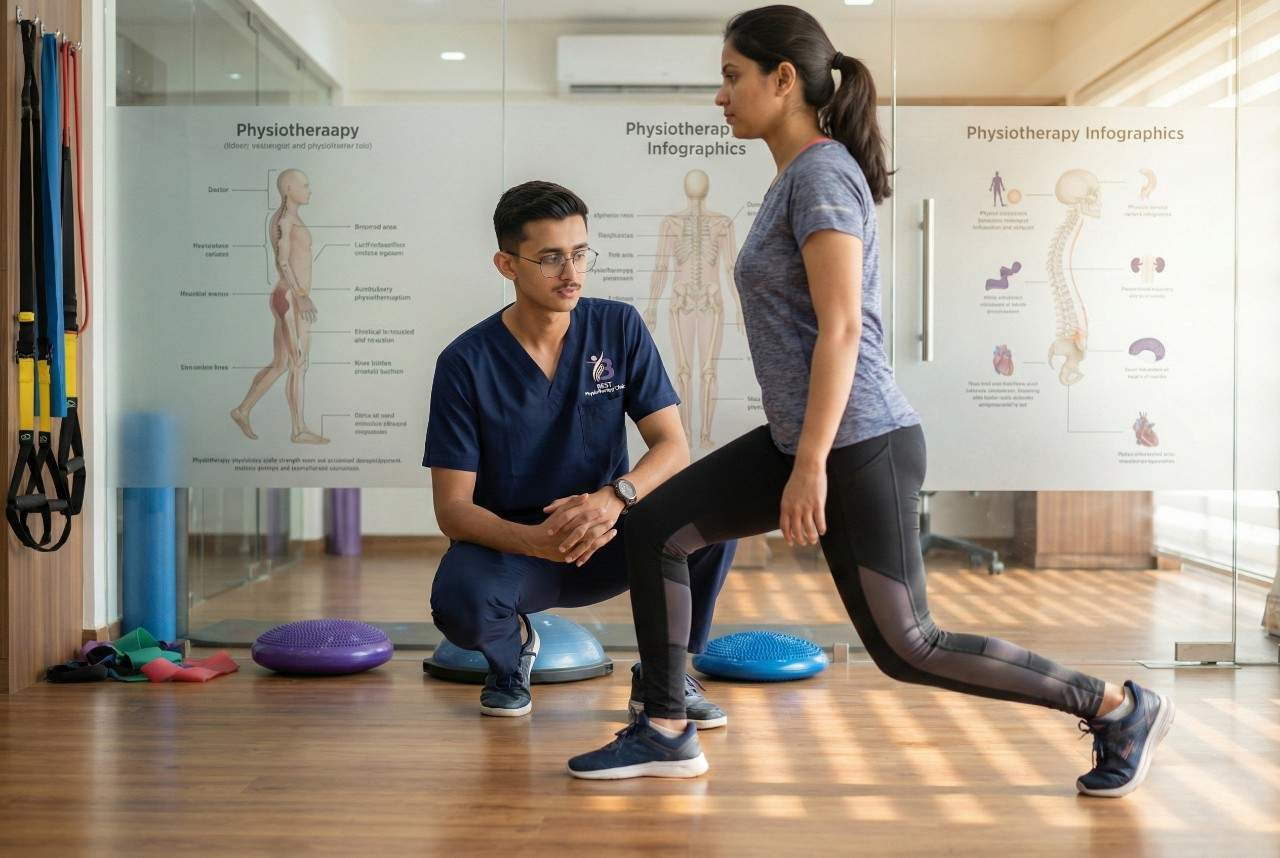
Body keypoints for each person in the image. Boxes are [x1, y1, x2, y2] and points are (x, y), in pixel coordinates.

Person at [567, 5, 1173, 797]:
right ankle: (666, 727)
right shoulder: (800, 176)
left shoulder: (820, 174)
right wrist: (800, 450)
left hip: (859, 441)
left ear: (783, 80)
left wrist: (810, 463)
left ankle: (1116, 706)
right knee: (655, 526)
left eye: (731, 76)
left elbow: (844, 327)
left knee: (908, 645)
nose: (720, 97)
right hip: (808, 437)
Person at [425, 180, 736, 720]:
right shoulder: (465, 363)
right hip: (519, 552)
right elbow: (452, 509)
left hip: (611, 534)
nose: (571, 273)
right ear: (507, 265)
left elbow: (672, 445)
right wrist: (533, 541)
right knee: (460, 600)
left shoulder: (618, 327)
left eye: (579, 253)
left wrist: (615, 497)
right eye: (550, 259)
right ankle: (510, 657)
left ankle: (663, 672)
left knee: (715, 513)